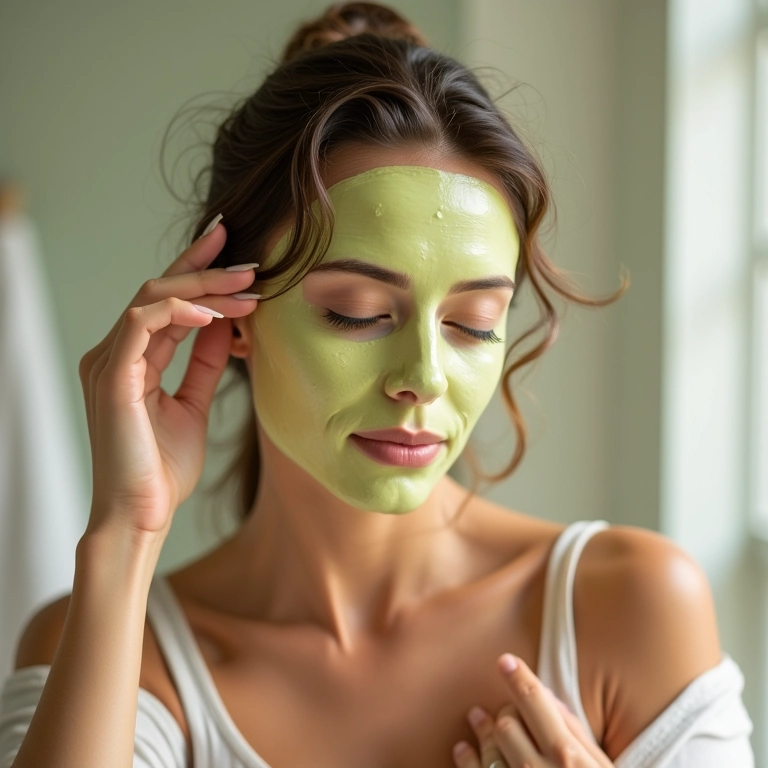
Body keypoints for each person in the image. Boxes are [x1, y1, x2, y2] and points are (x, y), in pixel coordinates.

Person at [0, 3, 755, 767]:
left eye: (473, 321)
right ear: (229, 318)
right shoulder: (113, 652)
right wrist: (125, 531)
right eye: (356, 313)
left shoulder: (625, 609)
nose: (423, 378)